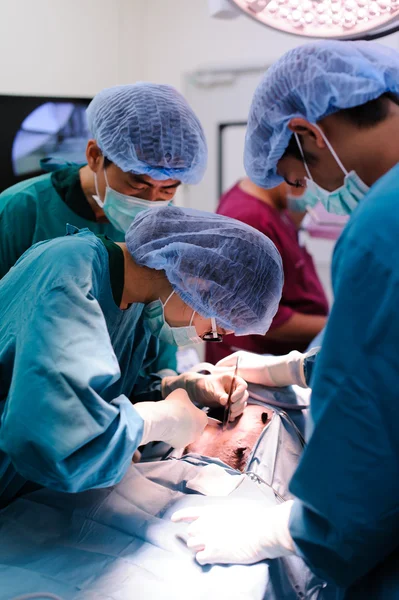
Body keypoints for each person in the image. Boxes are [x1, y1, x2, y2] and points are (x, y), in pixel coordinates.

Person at [173, 40, 399, 597]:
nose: (314, 191)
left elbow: (370, 428)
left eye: (306, 172)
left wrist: (292, 528)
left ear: (310, 134)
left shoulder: (382, 227)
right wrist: (302, 368)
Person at [0, 205, 283, 508]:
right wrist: (157, 420)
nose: (203, 338)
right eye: (215, 330)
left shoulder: (135, 303)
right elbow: (59, 443)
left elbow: (101, 392)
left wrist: (177, 389)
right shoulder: (67, 279)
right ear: (197, 284)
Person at [0, 82, 208, 374]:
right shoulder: (20, 210)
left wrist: (169, 381)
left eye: (167, 189)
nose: (150, 202)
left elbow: (161, 315)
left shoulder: (166, 227)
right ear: (95, 156)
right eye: (138, 184)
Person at [205, 178, 328, 364]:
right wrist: (332, 327)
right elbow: (260, 317)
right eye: (305, 175)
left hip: (281, 359)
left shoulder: (276, 205)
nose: (312, 185)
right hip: (254, 364)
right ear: (282, 166)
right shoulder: (249, 219)